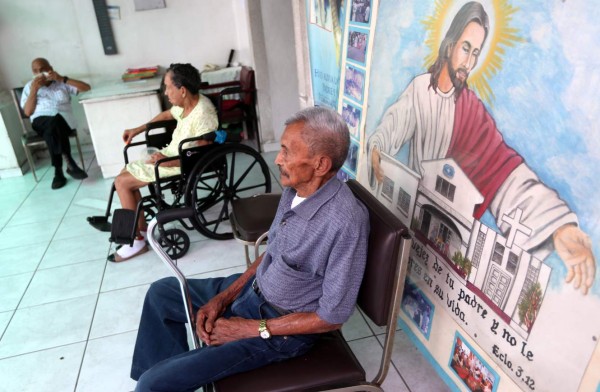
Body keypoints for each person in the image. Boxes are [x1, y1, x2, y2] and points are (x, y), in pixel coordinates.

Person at [130, 107, 369, 392]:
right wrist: (224, 296)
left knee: (151, 385)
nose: (278, 159)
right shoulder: (296, 191)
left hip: (281, 329)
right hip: (253, 291)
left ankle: (167, 378)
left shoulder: (345, 222)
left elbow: (332, 317)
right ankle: (173, 373)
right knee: (162, 294)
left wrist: (250, 329)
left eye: (287, 152)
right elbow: (272, 253)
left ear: (320, 164)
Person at [367, 1, 595, 294]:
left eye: (475, 53)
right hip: (411, 212)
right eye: (465, 48)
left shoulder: (471, 110)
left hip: (444, 230)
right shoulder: (420, 89)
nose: (469, 62)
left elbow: (503, 169)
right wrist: (377, 148)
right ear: (449, 45)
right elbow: (394, 123)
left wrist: (559, 226)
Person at [109, 63, 218, 262]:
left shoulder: (203, 113)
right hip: (170, 155)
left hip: (181, 162)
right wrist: (137, 129)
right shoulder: (187, 104)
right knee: (124, 174)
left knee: (122, 182)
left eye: (168, 87)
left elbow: (203, 149)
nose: (166, 92)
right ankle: (139, 232)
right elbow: (167, 114)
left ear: (182, 90)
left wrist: (168, 162)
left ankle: (135, 240)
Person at [20, 58, 90, 189]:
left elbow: (86, 88)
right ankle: (69, 162)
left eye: (42, 69)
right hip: (40, 122)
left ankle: (58, 172)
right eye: (35, 71)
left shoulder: (61, 82)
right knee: (53, 123)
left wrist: (62, 78)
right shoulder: (29, 86)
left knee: (54, 123)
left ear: (50, 68)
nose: (39, 73)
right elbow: (28, 112)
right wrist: (34, 90)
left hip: (64, 122)